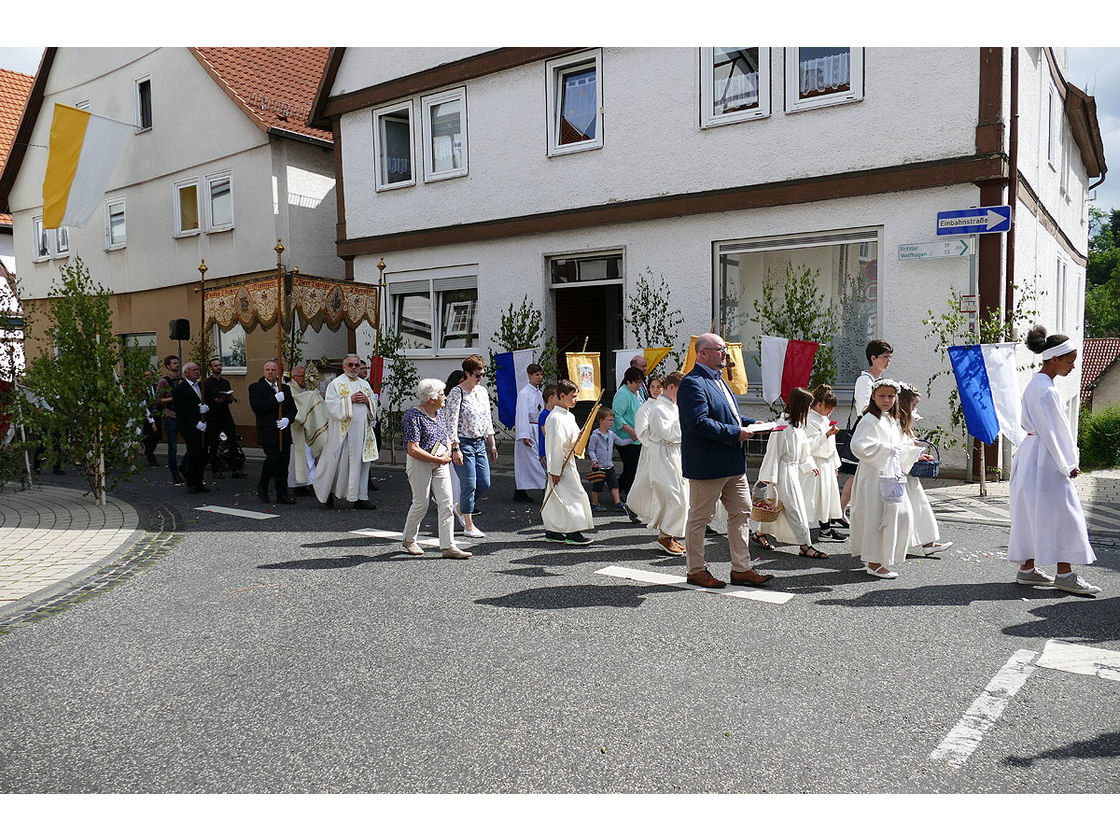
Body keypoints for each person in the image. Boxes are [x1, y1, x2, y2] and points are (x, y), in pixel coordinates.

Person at [678, 332, 773, 588]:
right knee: (700, 519)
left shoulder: (719, 380)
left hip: (732, 462)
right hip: (708, 464)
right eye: (720, 349)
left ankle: (741, 569)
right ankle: (696, 570)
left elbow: (730, 417)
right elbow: (699, 423)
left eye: (724, 349)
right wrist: (737, 433)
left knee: (742, 513)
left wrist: (754, 425)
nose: (725, 354)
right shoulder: (692, 383)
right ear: (702, 353)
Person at [1010, 325, 1100, 595]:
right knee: (1063, 513)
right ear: (1054, 359)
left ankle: (1027, 568)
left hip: (1032, 455)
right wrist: (1068, 464)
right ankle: (1064, 574)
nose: (1073, 367)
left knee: (1032, 511)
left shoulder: (1037, 384)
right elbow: (1054, 431)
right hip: (1046, 458)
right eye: (1070, 361)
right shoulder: (1046, 390)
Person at [848, 379, 924, 578]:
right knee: (877, 517)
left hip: (891, 474)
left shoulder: (892, 419)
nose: (886, 400)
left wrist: (915, 452)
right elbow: (859, 446)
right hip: (874, 475)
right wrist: (891, 451)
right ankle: (874, 562)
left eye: (891, 396)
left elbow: (903, 443)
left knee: (897, 515)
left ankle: (881, 557)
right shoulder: (869, 420)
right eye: (882, 396)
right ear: (873, 396)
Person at [750, 387, 829, 560]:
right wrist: (769, 479)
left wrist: (809, 464)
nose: (809, 409)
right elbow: (773, 453)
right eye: (807, 405)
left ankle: (759, 533)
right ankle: (805, 545)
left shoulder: (796, 425)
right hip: (782, 474)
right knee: (794, 508)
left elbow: (803, 451)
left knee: (780, 507)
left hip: (791, 471)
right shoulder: (783, 426)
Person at [401, 379, 471, 559]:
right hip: (420, 462)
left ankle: (448, 546)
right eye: (441, 394)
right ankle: (409, 539)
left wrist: (448, 452)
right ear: (431, 399)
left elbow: (446, 435)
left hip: (440, 462)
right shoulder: (413, 416)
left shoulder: (439, 413)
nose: (445, 397)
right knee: (421, 503)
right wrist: (437, 459)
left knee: (446, 503)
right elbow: (413, 448)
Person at [629, 370, 688, 557]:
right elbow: (669, 434)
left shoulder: (673, 406)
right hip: (662, 454)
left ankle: (668, 535)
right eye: (682, 390)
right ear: (671, 388)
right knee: (673, 496)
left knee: (679, 495)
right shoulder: (658, 408)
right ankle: (664, 536)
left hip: (673, 453)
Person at [314, 354, 379, 510]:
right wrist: (350, 400)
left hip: (362, 434)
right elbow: (330, 406)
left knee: (362, 466)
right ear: (344, 367)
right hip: (343, 434)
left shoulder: (365, 384)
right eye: (350, 365)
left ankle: (360, 497)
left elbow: (373, 404)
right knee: (335, 465)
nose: (354, 368)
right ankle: (327, 493)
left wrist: (368, 401)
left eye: (357, 365)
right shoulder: (335, 384)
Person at [840, 339, 893, 520]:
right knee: (857, 473)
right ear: (873, 358)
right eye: (885, 356)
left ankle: (846, 511)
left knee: (864, 473)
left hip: (878, 426)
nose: (888, 360)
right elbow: (864, 407)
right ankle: (840, 511)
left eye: (889, 357)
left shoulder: (881, 380)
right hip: (867, 427)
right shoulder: (865, 380)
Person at [446, 354, 496, 539]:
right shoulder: (456, 393)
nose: (480, 378)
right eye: (477, 375)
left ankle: (459, 507)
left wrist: (491, 443)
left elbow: (487, 419)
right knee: (469, 484)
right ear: (467, 373)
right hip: (463, 442)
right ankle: (468, 525)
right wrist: (455, 448)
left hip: (479, 442)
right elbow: (450, 422)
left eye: (482, 374)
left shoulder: (482, 392)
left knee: (484, 482)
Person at [897, 384, 951, 555]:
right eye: (914, 406)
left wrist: (917, 455)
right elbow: (897, 447)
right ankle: (899, 543)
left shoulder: (903, 422)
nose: (915, 409)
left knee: (920, 506)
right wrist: (912, 451)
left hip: (908, 471)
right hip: (899, 473)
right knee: (904, 510)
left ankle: (928, 542)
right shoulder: (894, 422)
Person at [542, 379, 594, 544]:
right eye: (573, 396)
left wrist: (580, 437)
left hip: (567, 461)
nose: (575, 400)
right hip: (560, 463)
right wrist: (555, 469)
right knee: (572, 496)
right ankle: (572, 532)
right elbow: (554, 446)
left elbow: (573, 441)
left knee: (557, 498)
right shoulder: (555, 417)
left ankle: (553, 530)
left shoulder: (568, 415)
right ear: (562, 395)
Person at [249, 359, 298, 505]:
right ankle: (262, 487)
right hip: (268, 431)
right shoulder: (256, 387)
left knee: (284, 464)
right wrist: (274, 399)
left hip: (284, 431)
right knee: (273, 460)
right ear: (264, 371)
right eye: (268, 370)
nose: (271, 372)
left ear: (278, 372)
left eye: (273, 370)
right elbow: (257, 407)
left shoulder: (285, 388)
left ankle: (282, 494)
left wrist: (288, 419)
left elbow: (293, 409)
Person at [803, 384, 846, 541]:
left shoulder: (823, 418)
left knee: (826, 497)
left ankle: (826, 529)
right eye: (829, 407)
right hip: (816, 463)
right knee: (818, 497)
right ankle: (823, 530)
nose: (831, 411)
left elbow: (831, 445)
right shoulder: (808, 418)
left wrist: (835, 463)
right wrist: (826, 434)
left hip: (826, 462)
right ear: (820, 404)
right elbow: (807, 444)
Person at [288, 364, 329, 494]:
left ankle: (310, 482)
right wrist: (311, 396)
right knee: (299, 458)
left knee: (309, 458)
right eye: (302, 377)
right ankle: (299, 486)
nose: (305, 380)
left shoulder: (306, 389)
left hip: (309, 429)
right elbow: (298, 403)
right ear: (295, 377)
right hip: (296, 429)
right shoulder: (290, 388)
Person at [203, 356, 246, 480]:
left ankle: (236, 469)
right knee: (214, 444)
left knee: (233, 441)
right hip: (213, 416)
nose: (218, 367)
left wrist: (228, 398)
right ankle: (215, 469)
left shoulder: (225, 382)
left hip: (225, 415)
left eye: (219, 365)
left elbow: (229, 399)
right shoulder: (206, 383)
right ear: (210, 368)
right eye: (215, 365)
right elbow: (210, 400)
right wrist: (218, 400)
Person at [171, 361, 210, 494]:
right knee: (194, 454)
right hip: (190, 427)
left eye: (198, 370)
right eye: (193, 370)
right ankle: (191, 482)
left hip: (204, 426)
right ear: (186, 373)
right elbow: (182, 411)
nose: (197, 372)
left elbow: (207, 400)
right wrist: (195, 423)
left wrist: (207, 408)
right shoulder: (180, 389)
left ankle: (199, 481)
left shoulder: (201, 386)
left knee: (203, 454)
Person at [513, 362, 547, 502]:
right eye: (536, 375)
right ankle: (545, 488)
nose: (539, 377)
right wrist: (524, 435)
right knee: (533, 462)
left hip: (537, 429)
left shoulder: (538, 392)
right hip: (528, 430)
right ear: (529, 376)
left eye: (540, 374)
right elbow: (521, 414)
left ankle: (520, 491)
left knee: (535, 461)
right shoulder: (524, 393)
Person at [612, 366, 645, 500]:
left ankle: (617, 487)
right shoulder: (623, 394)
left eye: (640, 381)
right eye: (636, 382)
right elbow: (617, 416)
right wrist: (631, 431)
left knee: (633, 465)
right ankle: (629, 495)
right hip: (625, 437)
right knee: (631, 466)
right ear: (628, 381)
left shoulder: (639, 391)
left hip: (637, 436)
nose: (639, 384)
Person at [586, 407, 622, 512]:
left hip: (609, 465)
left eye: (612, 420)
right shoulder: (595, 436)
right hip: (599, 466)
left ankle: (618, 502)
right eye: (609, 420)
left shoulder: (611, 434)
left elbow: (620, 442)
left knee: (614, 484)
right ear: (601, 421)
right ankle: (594, 502)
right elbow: (591, 449)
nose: (612, 423)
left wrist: (633, 439)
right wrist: (594, 460)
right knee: (597, 486)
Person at [156, 354, 184, 485]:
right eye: (174, 363)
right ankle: (175, 474)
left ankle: (184, 466)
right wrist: (174, 398)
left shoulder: (182, 380)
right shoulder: (164, 381)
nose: (177, 365)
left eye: (178, 363)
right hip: (170, 415)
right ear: (168, 366)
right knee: (172, 447)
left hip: (182, 415)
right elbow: (158, 400)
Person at [443, 370, 467, 509]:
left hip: (459, 437)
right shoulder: (450, 396)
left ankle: (457, 500)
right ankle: (453, 501)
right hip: (450, 438)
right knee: (453, 473)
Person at [141, 369, 162, 467]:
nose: (148, 378)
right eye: (146, 376)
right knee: (149, 435)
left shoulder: (156, 387)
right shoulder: (141, 390)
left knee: (157, 436)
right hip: (146, 416)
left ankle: (149, 450)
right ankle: (150, 455)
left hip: (156, 414)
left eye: (150, 376)